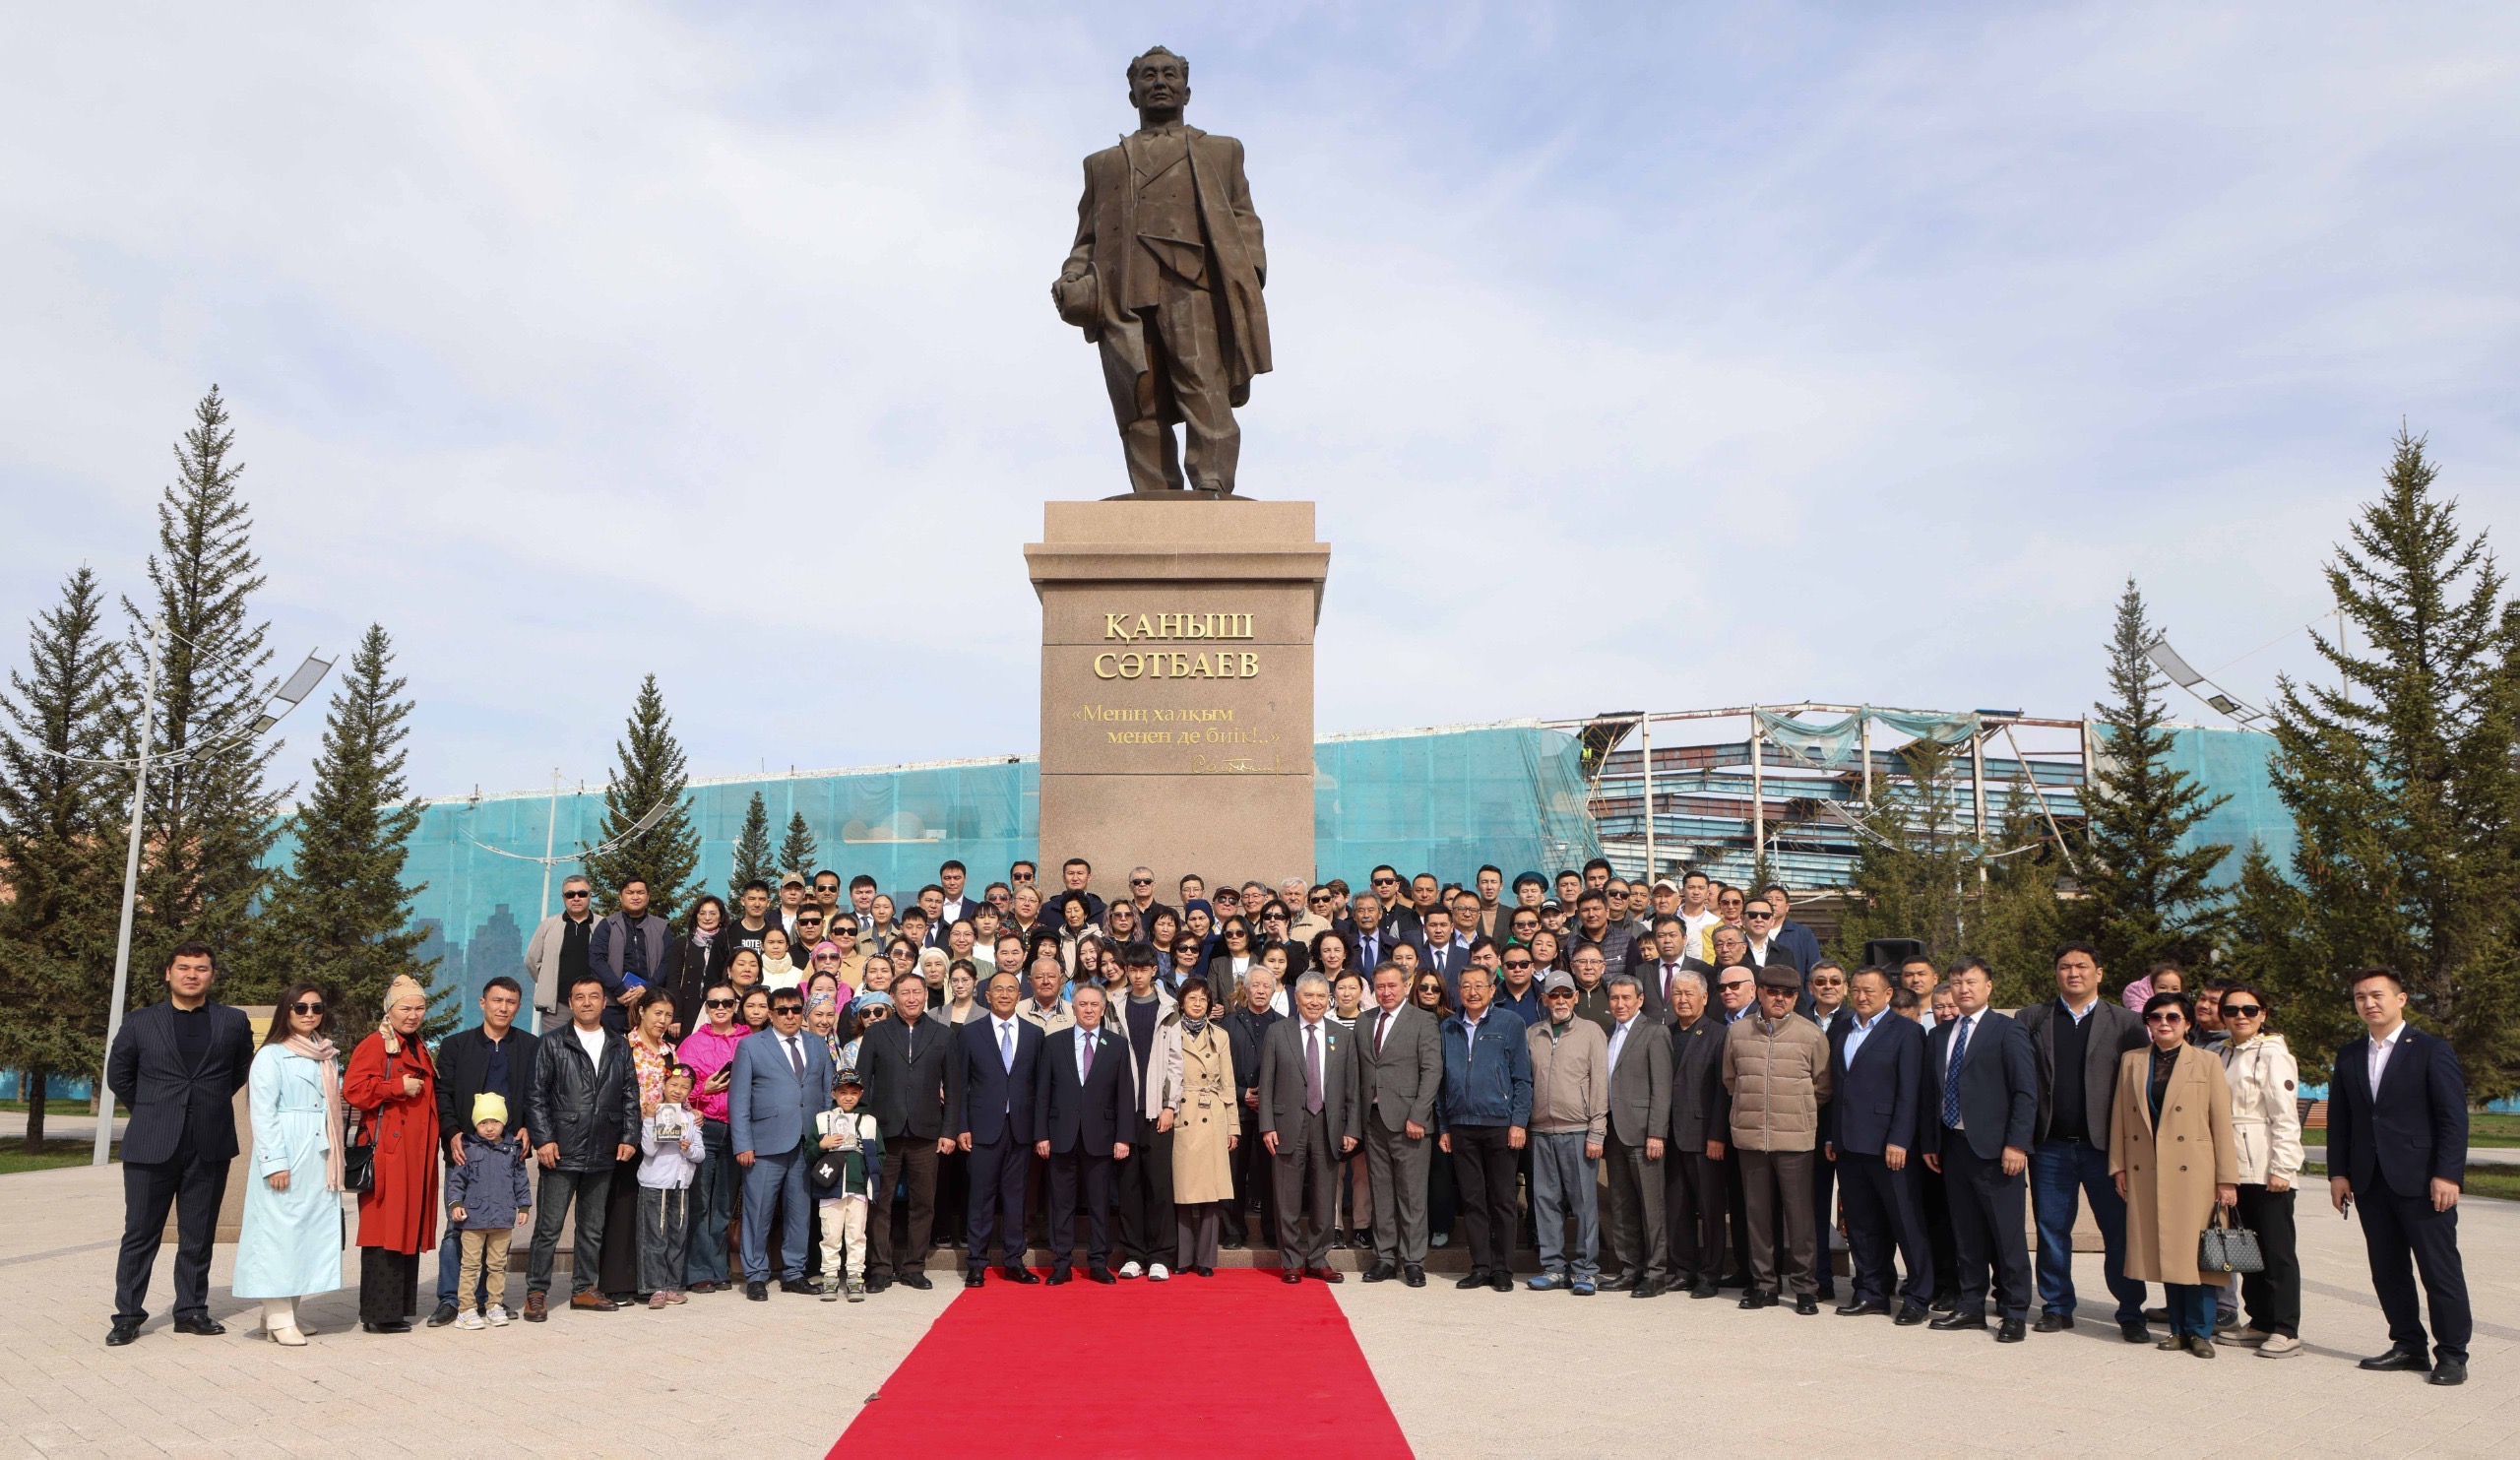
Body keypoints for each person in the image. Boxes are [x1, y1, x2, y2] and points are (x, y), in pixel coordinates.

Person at [104, 942, 255, 1347]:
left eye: (201, 968)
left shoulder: (233, 1021)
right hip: (151, 1143)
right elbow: (119, 1075)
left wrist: (205, 1102)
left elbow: (240, 1068)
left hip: (209, 1142)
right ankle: (128, 1315)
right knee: (140, 1233)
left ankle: (191, 1310)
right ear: (168, 973)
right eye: (184, 967)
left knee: (198, 1233)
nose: (192, 974)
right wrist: (154, 1108)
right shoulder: (140, 1021)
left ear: (212, 974)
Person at [2327, 968, 2471, 1385]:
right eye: (2359, 997)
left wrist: (2447, 1174)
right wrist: (2338, 1173)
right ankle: (2408, 1345)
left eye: (2376, 995)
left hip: (2423, 1182)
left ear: (2401, 999)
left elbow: (2452, 1119)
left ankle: (2452, 1354)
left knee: (2439, 1270)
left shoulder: (2430, 1050)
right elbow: (2341, 1120)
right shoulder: (2350, 1054)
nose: (2368, 1003)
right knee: (2387, 1269)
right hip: (2370, 1182)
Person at [2014, 943, 2151, 1341]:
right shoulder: (2033, 1018)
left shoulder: (2125, 1022)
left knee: (2118, 1232)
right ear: (2056, 973)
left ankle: (2129, 1310)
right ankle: (2057, 1307)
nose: (2074, 973)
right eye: (2065, 967)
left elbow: (2137, 1088)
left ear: (2099, 973)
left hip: (2105, 1149)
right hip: (2051, 1146)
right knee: (2052, 1229)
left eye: (2082, 966)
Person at [2108, 991, 2238, 1359]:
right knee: (2167, 1249)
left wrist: (2226, 1178)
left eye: (2172, 1017)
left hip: (2196, 1171)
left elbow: (2220, 1123)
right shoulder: (2132, 1061)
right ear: (2147, 1023)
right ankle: (2178, 1329)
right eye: (2155, 1018)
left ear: (2187, 1023)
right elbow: (2120, 1116)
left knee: (2197, 1256)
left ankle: (2200, 1331)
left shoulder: (2207, 1062)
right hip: (2148, 1169)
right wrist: (2118, 1165)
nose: (2164, 1024)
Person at [1922, 957, 2038, 1342]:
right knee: (1965, 1232)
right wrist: (1931, 1142)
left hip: (1996, 1150)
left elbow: (2025, 1092)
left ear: (1989, 986)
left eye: (1971, 982)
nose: (1963, 989)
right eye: (1956, 983)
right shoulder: (1940, 1036)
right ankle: (1971, 1304)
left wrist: (2017, 1144)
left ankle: (2015, 1309)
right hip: (1953, 1147)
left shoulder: (2008, 1031)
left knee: (2006, 1235)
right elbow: (1930, 1095)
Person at [233, 982, 346, 1346]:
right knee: (279, 1232)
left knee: (306, 1233)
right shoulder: (271, 1055)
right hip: (288, 1150)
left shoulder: (325, 1053)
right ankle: (280, 1318)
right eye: (301, 1007)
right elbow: (262, 1113)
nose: (310, 1014)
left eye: (316, 1007)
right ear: (287, 1011)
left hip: (319, 1153)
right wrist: (274, 1162)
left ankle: (280, 1315)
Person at [523, 972, 640, 1320]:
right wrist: (543, 1139)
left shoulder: (619, 1043)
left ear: (605, 1002)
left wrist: (629, 1136)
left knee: (592, 1226)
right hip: (561, 1147)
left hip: (604, 1145)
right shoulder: (552, 1042)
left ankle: (584, 1289)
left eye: (593, 996)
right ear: (570, 1003)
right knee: (549, 1226)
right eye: (579, 997)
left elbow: (630, 1093)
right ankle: (536, 1291)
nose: (587, 1002)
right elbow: (536, 1095)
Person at [426, 977, 538, 1327]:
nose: (503, 1007)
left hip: (507, 1153)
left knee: (499, 1227)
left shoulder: (530, 1046)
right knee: (456, 1226)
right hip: (465, 1150)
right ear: (482, 1002)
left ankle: (492, 1300)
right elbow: (442, 1094)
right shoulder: (456, 1045)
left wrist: (529, 1127)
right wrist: (452, 1133)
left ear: (518, 1007)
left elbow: (538, 1093)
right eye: (497, 1000)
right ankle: (451, 1300)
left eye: (510, 1002)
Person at [1723, 966, 1831, 1314]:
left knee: (1799, 1218)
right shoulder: (1737, 1033)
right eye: (1772, 992)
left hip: (1795, 1140)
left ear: (1797, 997)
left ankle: (1804, 1288)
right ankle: (1764, 1285)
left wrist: (1795, 1108)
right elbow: (1731, 1079)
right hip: (1752, 1138)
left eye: (1787, 993)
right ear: (1760, 993)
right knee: (1758, 1216)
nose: (1779, 998)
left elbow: (1823, 1086)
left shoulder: (1811, 1034)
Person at [1827, 967, 1932, 1323]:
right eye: (1855, 990)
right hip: (1849, 1143)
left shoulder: (1907, 1032)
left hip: (1889, 1145)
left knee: (1906, 1223)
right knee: (1860, 1224)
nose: (1861, 996)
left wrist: (1900, 1139)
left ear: (1888, 994)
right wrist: (1832, 1135)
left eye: (1870, 990)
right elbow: (1837, 1089)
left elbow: (1910, 1092)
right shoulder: (1841, 1028)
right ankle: (1870, 1291)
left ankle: (1918, 1295)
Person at [346, 976, 441, 1334]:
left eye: (419, 1008)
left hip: (414, 1152)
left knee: (406, 1227)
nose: (413, 1014)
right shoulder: (375, 1044)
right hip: (389, 1149)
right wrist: (396, 1087)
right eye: (406, 1008)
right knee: (385, 1228)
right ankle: (378, 1313)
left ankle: (396, 1309)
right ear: (390, 1009)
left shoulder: (416, 1044)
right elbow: (353, 1089)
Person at [727, 987, 833, 1300]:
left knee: (800, 1213)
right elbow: (739, 1100)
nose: (790, 1015)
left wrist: (823, 1138)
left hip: (806, 1143)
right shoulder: (750, 1047)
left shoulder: (817, 1044)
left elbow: (826, 1093)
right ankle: (756, 1275)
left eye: (796, 1009)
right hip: (764, 1145)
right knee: (758, 1212)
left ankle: (794, 1273)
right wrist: (743, 1143)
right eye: (783, 1010)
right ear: (771, 1014)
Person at [2215, 984, 2302, 1356]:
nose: (2241, 1016)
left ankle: (2286, 1327)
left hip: (2265, 1166)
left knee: (2277, 1250)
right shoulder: (2220, 1053)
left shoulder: (2273, 1054)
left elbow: (2284, 1115)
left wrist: (2283, 1166)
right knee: (2246, 1247)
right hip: (2231, 1165)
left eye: (2250, 1010)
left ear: (2263, 1014)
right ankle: (2261, 1320)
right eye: (2232, 1010)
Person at [852, 969, 950, 1294]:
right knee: (880, 1202)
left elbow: (955, 1085)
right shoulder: (878, 1034)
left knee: (924, 1203)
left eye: (917, 992)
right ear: (893, 998)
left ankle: (913, 1267)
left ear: (925, 996)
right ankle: (880, 1268)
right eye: (905, 993)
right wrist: (864, 1128)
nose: (912, 998)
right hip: (884, 1131)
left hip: (926, 1132)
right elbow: (861, 1083)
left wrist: (949, 1130)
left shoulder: (942, 1033)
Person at [1257, 973, 1358, 1284]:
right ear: (1296, 998)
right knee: (1286, 1196)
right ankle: (1290, 1261)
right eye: (1307, 996)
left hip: (1328, 1124)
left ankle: (1317, 1258)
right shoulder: (1278, 1032)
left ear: (1327, 999)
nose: (1314, 1002)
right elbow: (1267, 1082)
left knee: (1324, 1197)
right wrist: (1266, 1126)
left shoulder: (1341, 1035)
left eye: (1319, 996)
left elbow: (1352, 1087)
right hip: (1287, 1124)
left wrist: (1352, 1128)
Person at [1437, 964, 1532, 1294]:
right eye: (1466, 986)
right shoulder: (1448, 1027)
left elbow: (1522, 1079)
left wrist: (1518, 1121)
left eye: (1480, 986)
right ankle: (1480, 1265)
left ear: (1493, 990)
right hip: (1461, 1124)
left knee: (1503, 1199)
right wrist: (1444, 1126)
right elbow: (1440, 1083)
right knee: (1473, 1200)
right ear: (1458, 990)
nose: (1473, 992)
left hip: (1500, 1125)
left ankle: (1503, 1268)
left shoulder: (1510, 1023)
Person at [952, 970, 1045, 1288]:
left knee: (1017, 1199)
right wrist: (961, 1126)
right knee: (981, 1198)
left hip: (1020, 1129)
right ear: (987, 996)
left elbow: (1039, 1087)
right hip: (981, 1129)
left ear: (1020, 996)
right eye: (998, 990)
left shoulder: (1034, 1035)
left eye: (1011, 990)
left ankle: (1014, 1261)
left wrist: (1039, 1130)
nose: (1005, 995)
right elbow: (959, 1085)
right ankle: (976, 1263)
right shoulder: (970, 1033)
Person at [1034, 983, 1132, 1283]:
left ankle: (1098, 1262)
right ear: (1073, 1008)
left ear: (1103, 1009)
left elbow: (1125, 1095)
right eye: (1082, 1005)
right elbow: (1042, 1094)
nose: (1088, 1010)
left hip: (1101, 1137)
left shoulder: (1116, 1044)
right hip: (1061, 1135)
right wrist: (1041, 1134)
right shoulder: (1054, 1042)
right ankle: (1061, 1262)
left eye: (1094, 1005)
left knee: (1100, 1203)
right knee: (1061, 1203)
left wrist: (1123, 1136)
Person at [1355, 964, 1441, 1288]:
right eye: (1380, 987)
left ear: (1406, 986)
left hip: (1410, 1123)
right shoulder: (1364, 1022)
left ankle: (1413, 1260)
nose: (1386, 992)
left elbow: (1432, 1070)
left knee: (1412, 1194)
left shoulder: (1423, 1021)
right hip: (1374, 1120)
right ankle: (1385, 1257)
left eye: (1392, 985)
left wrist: (1419, 1114)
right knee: (1382, 1192)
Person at [1525, 971, 1609, 1295]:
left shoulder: (1591, 1032)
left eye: (1566, 994)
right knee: (1545, 1200)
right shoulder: (1534, 1033)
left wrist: (1597, 1131)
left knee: (1584, 1202)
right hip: (1541, 1130)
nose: (1560, 1000)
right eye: (1554, 995)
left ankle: (1586, 1270)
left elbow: (1600, 1083)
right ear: (1545, 999)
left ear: (1575, 997)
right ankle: (1553, 1267)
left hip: (1579, 1129)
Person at [1597, 974, 1670, 1298]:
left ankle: (1655, 1272)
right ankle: (1630, 1268)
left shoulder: (1655, 1032)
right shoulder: (1610, 1033)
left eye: (1627, 998)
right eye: (1615, 998)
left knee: (1650, 1206)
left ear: (1640, 1000)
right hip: (1614, 1132)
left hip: (1643, 1134)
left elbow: (1663, 1089)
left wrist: (1657, 1132)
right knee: (1622, 1204)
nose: (1620, 1003)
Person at [1108, 944, 1178, 1279]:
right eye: (1131, 969)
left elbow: (1176, 1063)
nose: (1137, 975)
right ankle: (1134, 1254)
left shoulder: (1169, 1007)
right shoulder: (1114, 1005)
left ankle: (1161, 1255)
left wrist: (1170, 1105)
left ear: (1153, 970)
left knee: (1159, 1185)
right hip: (1125, 1109)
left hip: (1157, 1110)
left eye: (1143, 968)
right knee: (1129, 1186)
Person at [1662, 969, 1731, 1300]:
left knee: (1711, 1207)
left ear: (1705, 998)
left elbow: (1723, 1090)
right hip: (1670, 1135)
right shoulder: (1666, 1033)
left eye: (1690, 993)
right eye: (1677, 993)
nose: (1683, 999)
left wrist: (1717, 1134)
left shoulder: (1719, 1034)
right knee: (1677, 1206)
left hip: (1705, 1136)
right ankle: (1684, 1269)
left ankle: (1710, 1272)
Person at [675, 980, 748, 1294]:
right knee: (700, 1202)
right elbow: (677, 1087)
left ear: (736, 1006)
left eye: (727, 1003)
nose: (720, 1008)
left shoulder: (749, 1039)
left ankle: (719, 1269)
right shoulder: (692, 1043)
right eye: (714, 1003)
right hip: (705, 1126)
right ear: (706, 1007)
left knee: (723, 1204)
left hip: (738, 1128)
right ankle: (698, 1270)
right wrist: (704, 1090)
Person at [441, 1093, 534, 1330]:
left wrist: (523, 1206)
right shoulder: (468, 1148)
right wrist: (455, 1203)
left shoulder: (513, 1149)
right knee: (470, 1265)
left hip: (502, 1218)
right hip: (473, 1219)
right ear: (476, 1124)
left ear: (504, 1122)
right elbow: (457, 1182)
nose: (489, 1128)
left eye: (495, 1122)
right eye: (483, 1122)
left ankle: (494, 1304)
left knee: (497, 1265)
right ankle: (466, 1309)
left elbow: (520, 1180)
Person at [1167, 981, 1240, 1276]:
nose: (1197, 1003)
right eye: (1191, 998)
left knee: (1211, 1191)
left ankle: (1206, 1259)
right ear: (1181, 1001)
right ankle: (1183, 1257)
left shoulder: (1219, 1035)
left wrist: (1233, 1126)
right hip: (1181, 1111)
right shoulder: (1170, 1032)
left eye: (1203, 999)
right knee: (1182, 1190)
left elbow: (1228, 1082)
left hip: (1213, 1112)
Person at [1223, 965, 1284, 1251]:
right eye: (1255, 985)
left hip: (1272, 1113)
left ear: (1274, 990)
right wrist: (1241, 1093)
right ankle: (1234, 1231)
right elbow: (1217, 1071)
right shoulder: (1229, 1024)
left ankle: (1272, 1230)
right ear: (1245, 989)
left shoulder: (1285, 1024)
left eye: (1266, 986)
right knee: (1234, 1174)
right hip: (1237, 1111)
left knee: (1273, 1175)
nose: (1260, 990)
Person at [813, 1070, 885, 1301]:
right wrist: (822, 1145)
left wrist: (867, 1168)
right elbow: (808, 1153)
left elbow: (880, 1155)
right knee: (830, 1235)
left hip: (858, 1187)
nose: (848, 1097)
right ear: (833, 1093)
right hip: (830, 1188)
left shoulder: (869, 1122)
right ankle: (830, 1277)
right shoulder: (822, 1119)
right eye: (842, 1092)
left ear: (861, 1094)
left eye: (853, 1093)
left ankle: (855, 1277)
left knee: (856, 1234)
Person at [638, 1063, 702, 1307]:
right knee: (655, 1237)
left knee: (677, 1236)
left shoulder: (690, 1118)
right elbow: (649, 1150)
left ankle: (671, 1285)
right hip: (655, 1183)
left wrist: (689, 1149)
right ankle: (654, 1288)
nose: (678, 1090)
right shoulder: (655, 1113)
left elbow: (700, 1154)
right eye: (673, 1085)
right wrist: (649, 1121)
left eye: (684, 1087)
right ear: (663, 1086)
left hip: (681, 1183)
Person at [588, 877, 673, 1034]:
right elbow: (596, 960)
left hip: (651, 1004)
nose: (635, 897)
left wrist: (647, 988)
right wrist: (619, 990)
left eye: (640, 892)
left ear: (648, 897)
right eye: (630, 892)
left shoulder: (662, 927)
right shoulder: (607, 925)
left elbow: (668, 962)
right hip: (614, 1003)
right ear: (621, 896)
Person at [525, 874, 598, 1030]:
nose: (576, 898)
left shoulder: (603, 925)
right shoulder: (548, 926)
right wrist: (547, 981)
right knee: (554, 1051)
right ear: (563, 897)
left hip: (593, 1005)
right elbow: (532, 960)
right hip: (557, 1007)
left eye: (582, 894)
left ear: (590, 895)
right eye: (570, 894)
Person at [663, 895, 729, 1037]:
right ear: (696, 916)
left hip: (716, 1010)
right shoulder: (682, 943)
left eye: (713, 913)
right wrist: (676, 1016)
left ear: (721, 916)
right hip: (687, 1012)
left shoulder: (726, 943)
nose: (707, 918)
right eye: (702, 913)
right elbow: (673, 981)